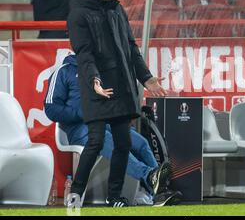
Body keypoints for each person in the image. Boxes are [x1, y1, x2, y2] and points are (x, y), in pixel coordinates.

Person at [67, 0, 169, 208]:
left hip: (122, 85)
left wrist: (147, 78)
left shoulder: (116, 9)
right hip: (98, 88)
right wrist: (94, 80)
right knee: (95, 141)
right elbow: (84, 53)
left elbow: (131, 48)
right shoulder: (78, 15)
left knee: (123, 143)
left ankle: (114, 196)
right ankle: (75, 195)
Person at [44, 54, 181, 207]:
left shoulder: (104, 70)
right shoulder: (64, 71)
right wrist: (82, 113)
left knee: (141, 143)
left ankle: (158, 193)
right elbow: (51, 109)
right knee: (113, 143)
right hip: (80, 128)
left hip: (107, 123)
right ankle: (149, 175)